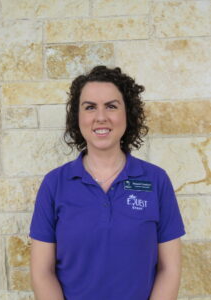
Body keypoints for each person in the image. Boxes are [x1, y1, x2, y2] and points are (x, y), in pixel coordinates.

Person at [29, 66, 185, 300]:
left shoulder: (156, 180)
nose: (101, 117)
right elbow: (42, 272)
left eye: (111, 106)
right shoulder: (54, 184)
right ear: (78, 117)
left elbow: (170, 269)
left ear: (127, 114)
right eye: (90, 107)